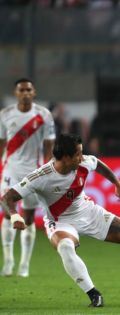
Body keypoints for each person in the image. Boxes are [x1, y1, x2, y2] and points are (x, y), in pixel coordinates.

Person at [0, 134, 120, 307]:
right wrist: (14, 215)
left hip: (89, 212)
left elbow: (98, 164)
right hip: (60, 221)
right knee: (65, 247)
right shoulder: (40, 177)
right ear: (66, 158)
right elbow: (7, 198)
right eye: (78, 154)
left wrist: (117, 184)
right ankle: (94, 294)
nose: (82, 157)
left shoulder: (83, 163)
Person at [1, 78, 55, 277]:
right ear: (16, 93)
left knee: (29, 218)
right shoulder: (5, 115)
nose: (25, 93)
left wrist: (48, 170)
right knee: (8, 213)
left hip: (33, 172)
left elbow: (49, 144)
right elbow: (1, 143)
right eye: (21, 90)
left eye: (28, 90)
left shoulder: (44, 115)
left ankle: (24, 264)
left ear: (34, 92)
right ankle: (8, 261)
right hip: (10, 170)